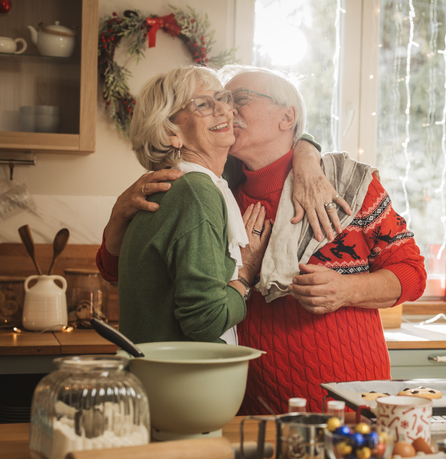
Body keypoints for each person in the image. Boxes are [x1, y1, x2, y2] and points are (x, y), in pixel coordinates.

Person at [98, 64, 427, 414]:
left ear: (286, 117)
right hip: (245, 401)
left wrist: (348, 291)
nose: (227, 110)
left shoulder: (345, 186)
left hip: (349, 397)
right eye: (217, 101)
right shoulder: (215, 190)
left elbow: (413, 274)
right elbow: (120, 270)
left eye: (237, 99)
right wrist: (119, 215)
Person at [116, 65, 271, 344]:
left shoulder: (194, 183)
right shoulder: (196, 191)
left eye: (222, 98)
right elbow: (205, 321)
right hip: (183, 382)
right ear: (170, 132)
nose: (225, 110)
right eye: (202, 104)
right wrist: (246, 272)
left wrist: (307, 150)